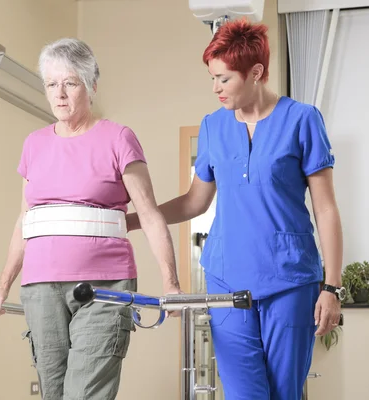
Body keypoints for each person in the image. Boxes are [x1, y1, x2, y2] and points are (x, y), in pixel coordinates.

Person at [127, 19, 344, 400]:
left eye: (224, 79)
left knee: (283, 392)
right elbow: (195, 201)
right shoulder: (213, 126)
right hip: (227, 279)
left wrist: (332, 286)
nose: (216, 88)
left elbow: (325, 209)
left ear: (256, 73)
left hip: (290, 280)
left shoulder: (302, 120)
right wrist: (134, 219)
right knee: (244, 393)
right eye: (212, 78)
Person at [0, 38, 181, 400]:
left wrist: (172, 285)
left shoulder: (118, 138)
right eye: (51, 84)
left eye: (69, 83)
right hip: (41, 287)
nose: (59, 94)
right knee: (53, 393)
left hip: (104, 287)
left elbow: (150, 216)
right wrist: (1, 287)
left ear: (90, 85)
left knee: (84, 393)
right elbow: (25, 221)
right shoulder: (34, 144)